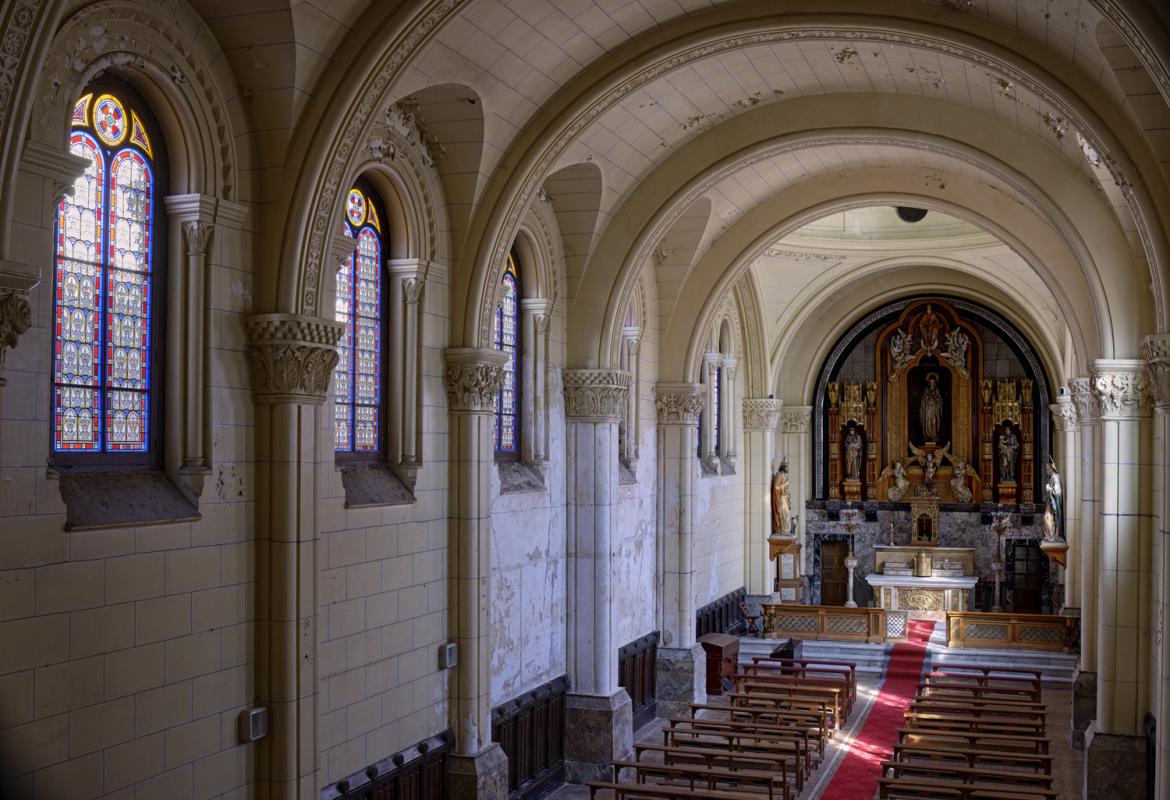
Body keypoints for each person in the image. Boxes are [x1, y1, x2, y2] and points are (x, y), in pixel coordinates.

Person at [1043, 460, 1064, 542]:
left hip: (1052, 503)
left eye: (1047, 469)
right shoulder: (1053, 477)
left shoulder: (1055, 478)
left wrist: (1049, 488)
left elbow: (1057, 492)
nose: (1047, 471)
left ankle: (1052, 536)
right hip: (1050, 502)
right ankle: (1050, 536)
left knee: (1047, 518)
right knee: (1046, 518)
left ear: (1051, 469)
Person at [919, 372, 942, 442]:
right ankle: (927, 435)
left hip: (935, 409)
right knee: (928, 422)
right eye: (931, 382)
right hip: (928, 409)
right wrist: (928, 398)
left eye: (933, 382)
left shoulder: (937, 390)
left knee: (935, 422)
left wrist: (936, 399)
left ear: (935, 382)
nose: (932, 383)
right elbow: (923, 400)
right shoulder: (926, 390)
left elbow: (940, 400)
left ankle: (934, 436)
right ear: (929, 382)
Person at [771, 461, 791, 535]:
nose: (788, 469)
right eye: (787, 467)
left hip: (784, 499)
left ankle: (785, 531)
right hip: (781, 500)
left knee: (786, 516)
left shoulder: (783, 476)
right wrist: (785, 485)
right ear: (783, 467)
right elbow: (776, 488)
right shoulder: (779, 475)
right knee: (784, 515)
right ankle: (782, 530)